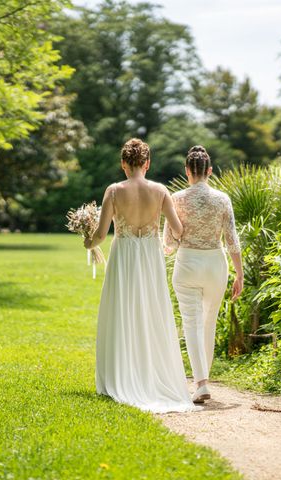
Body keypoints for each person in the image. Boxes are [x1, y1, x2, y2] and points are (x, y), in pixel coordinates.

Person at [85, 138, 197, 413]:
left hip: (123, 255)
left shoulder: (113, 191)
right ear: (147, 163)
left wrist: (88, 243)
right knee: (151, 310)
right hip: (149, 255)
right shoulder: (160, 191)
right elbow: (178, 229)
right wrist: (168, 242)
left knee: (122, 310)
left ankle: (122, 374)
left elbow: (100, 235)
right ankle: (152, 374)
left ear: (124, 164)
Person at [163, 145, 244, 404]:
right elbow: (232, 240)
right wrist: (239, 274)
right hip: (215, 265)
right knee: (208, 322)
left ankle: (201, 383)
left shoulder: (176, 199)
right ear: (209, 171)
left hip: (187, 263)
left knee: (192, 323)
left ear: (187, 171)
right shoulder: (222, 199)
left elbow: (170, 244)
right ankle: (203, 381)